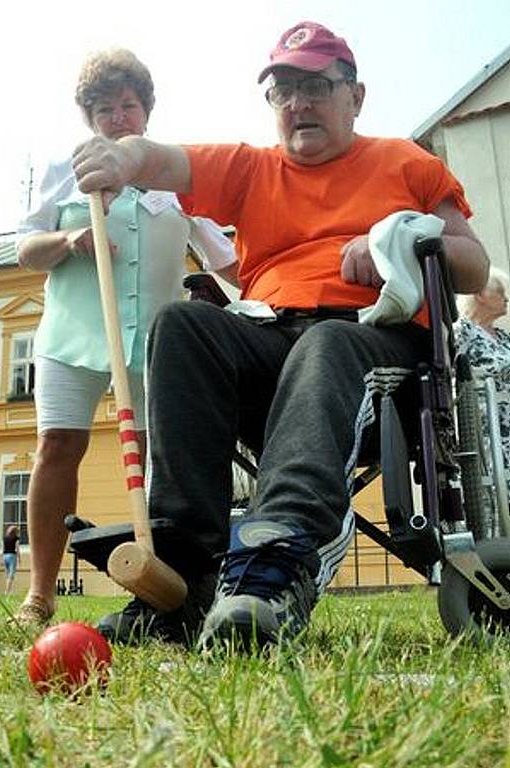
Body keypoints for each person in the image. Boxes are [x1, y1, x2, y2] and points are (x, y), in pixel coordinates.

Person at [73, 21, 489, 649]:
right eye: (283, 90)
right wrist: (122, 157)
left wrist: (397, 241)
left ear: (356, 95)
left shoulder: (406, 162)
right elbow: (162, 160)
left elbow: (474, 264)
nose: (297, 103)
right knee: (183, 324)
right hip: (269, 344)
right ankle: (183, 579)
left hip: (376, 344)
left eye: (316, 85)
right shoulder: (251, 169)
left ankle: (273, 568)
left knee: (326, 343)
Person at [14, 48, 237, 626]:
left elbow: (228, 260)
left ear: (147, 110)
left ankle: (169, 582)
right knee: (57, 447)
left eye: (129, 106)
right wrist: (69, 243)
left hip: (156, 345)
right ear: (90, 117)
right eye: (106, 108)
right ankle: (40, 592)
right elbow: (26, 249)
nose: (119, 117)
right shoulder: (67, 170)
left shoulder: (175, 174)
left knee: (166, 458)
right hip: (72, 336)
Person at [456, 266, 510, 492]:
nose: (506, 298)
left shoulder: (504, 337)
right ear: (479, 294)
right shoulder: (462, 332)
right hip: (487, 434)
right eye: (500, 291)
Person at [2, 524, 21, 595]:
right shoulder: (16, 538)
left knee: (7, 574)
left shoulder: (5, 538)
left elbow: (3, 548)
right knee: (11, 574)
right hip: (12, 556)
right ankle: (7, 591)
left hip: (5, 556)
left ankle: (10, 590)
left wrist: (2, 558)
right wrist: (19, 558)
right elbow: (17, 548)